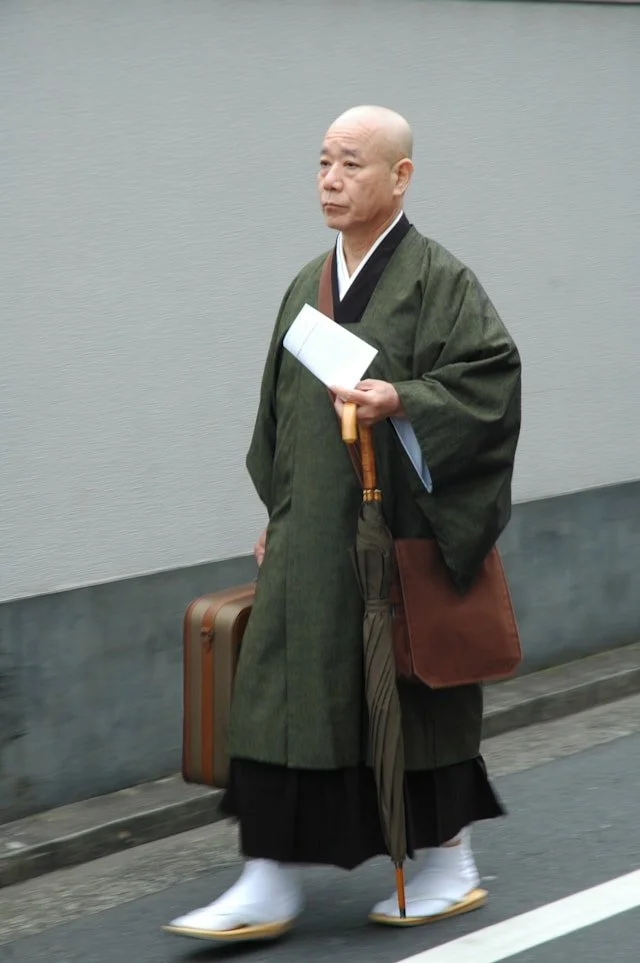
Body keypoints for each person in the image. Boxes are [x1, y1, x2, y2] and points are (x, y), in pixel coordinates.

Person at [164, 105, 521, 943]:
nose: (330, 179)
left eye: (352, 164)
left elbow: (491, 385)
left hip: (396, 538)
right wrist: (279, 513)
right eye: (323, 162)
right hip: (308, 540)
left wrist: (407, 400)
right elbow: (278, 417)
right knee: (281, 692)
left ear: (401, 176)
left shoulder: (441, 281)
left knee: (407, 695)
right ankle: (268, 875)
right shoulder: (304, 285)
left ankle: (447, 861)